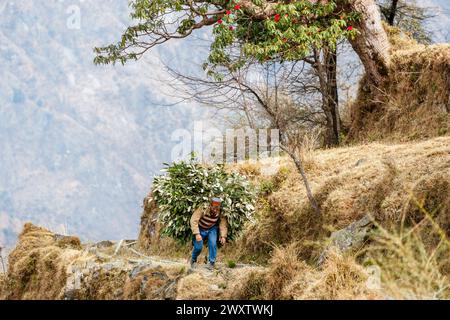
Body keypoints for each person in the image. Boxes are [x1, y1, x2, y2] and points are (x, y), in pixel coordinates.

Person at [190, 197, 228, 269]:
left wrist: (223, 236)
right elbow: (193, 220)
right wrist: (197, 234)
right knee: (198, 247)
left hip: (212, 229)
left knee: (213, 243)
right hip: (200, 229)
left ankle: (212, 262)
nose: (215, 209)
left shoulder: (220, 212)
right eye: (214, 207)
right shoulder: (203, 209)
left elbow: (223, 224)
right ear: (210, 205)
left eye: (217, 207)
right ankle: (193, 259)